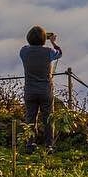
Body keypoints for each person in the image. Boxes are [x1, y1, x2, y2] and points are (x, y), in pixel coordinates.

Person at [20, 24, 63, 154]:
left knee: (30, 118)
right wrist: (53, 42)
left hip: (30, 91)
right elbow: (59, 54)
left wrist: (39, 39)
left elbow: (27, 46)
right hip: (45, 90)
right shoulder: (49, 52)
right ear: (44, 40)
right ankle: (49, 145)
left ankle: (30, 144)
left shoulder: (24, 52)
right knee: (48, 119)